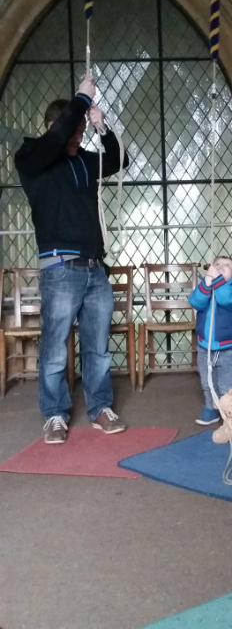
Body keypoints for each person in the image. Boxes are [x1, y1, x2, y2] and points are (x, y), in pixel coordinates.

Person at [14, 75, 129, 444]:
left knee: (97, 347)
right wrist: (81, 99)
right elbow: (55, 140)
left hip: (95, 270)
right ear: (53, 128)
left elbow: (120, 159)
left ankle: (100, 408)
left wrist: (102, 126)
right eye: (74, 132)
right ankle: (54, 415)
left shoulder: (83, 160)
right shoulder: (33, 157)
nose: (78, 139)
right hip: (59, 268)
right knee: (53, 347)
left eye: (81, 133)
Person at [188, 255, 232, 425]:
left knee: (226, 383)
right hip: (205, 347)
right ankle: (211, 407)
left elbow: (227, 299)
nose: (220, 266)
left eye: (226, 265)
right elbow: (195, 302)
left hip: (227, 348)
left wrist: (218, 280)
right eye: (217, 264)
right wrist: (206, 284)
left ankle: (230, 410)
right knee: (207, 381)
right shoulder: (206, 286)